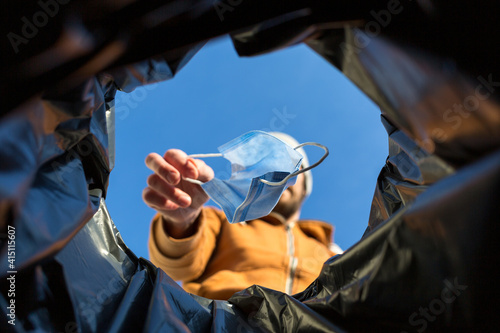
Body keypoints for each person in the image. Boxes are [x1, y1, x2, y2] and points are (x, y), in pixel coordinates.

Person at [144, 132, 341, 300]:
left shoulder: (329, 252)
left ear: (305, 185)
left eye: (291, 167)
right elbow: (176, 268)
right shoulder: (223, 222)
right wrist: (182, 222)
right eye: (268, 165)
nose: (278, 173)